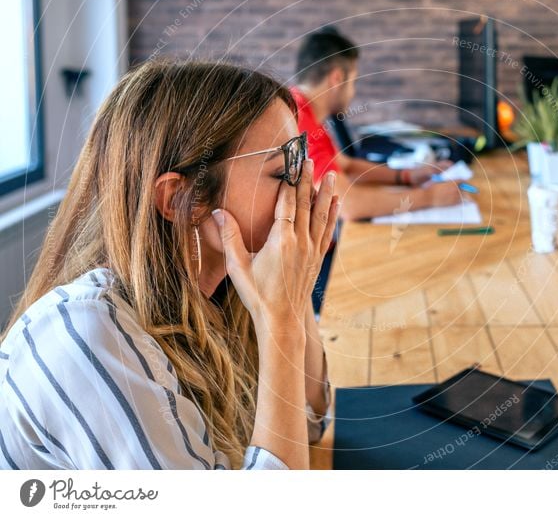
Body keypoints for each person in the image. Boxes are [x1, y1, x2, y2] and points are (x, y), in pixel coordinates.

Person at [0, 60, 337, 469]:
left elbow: (310, 422)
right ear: (183, 199)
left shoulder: (226, 293)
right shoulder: (90, 338)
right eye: (283, 172)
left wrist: (291, 292)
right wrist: (280, 320)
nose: (304, 190)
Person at [291, 27, 465, 221]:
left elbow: (347, 165)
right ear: (337, 78)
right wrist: (430, 197)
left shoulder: (300, 110)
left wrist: (407, 176)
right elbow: (349, 205)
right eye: (353, 82)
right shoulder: (300, 126)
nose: (352, 92)